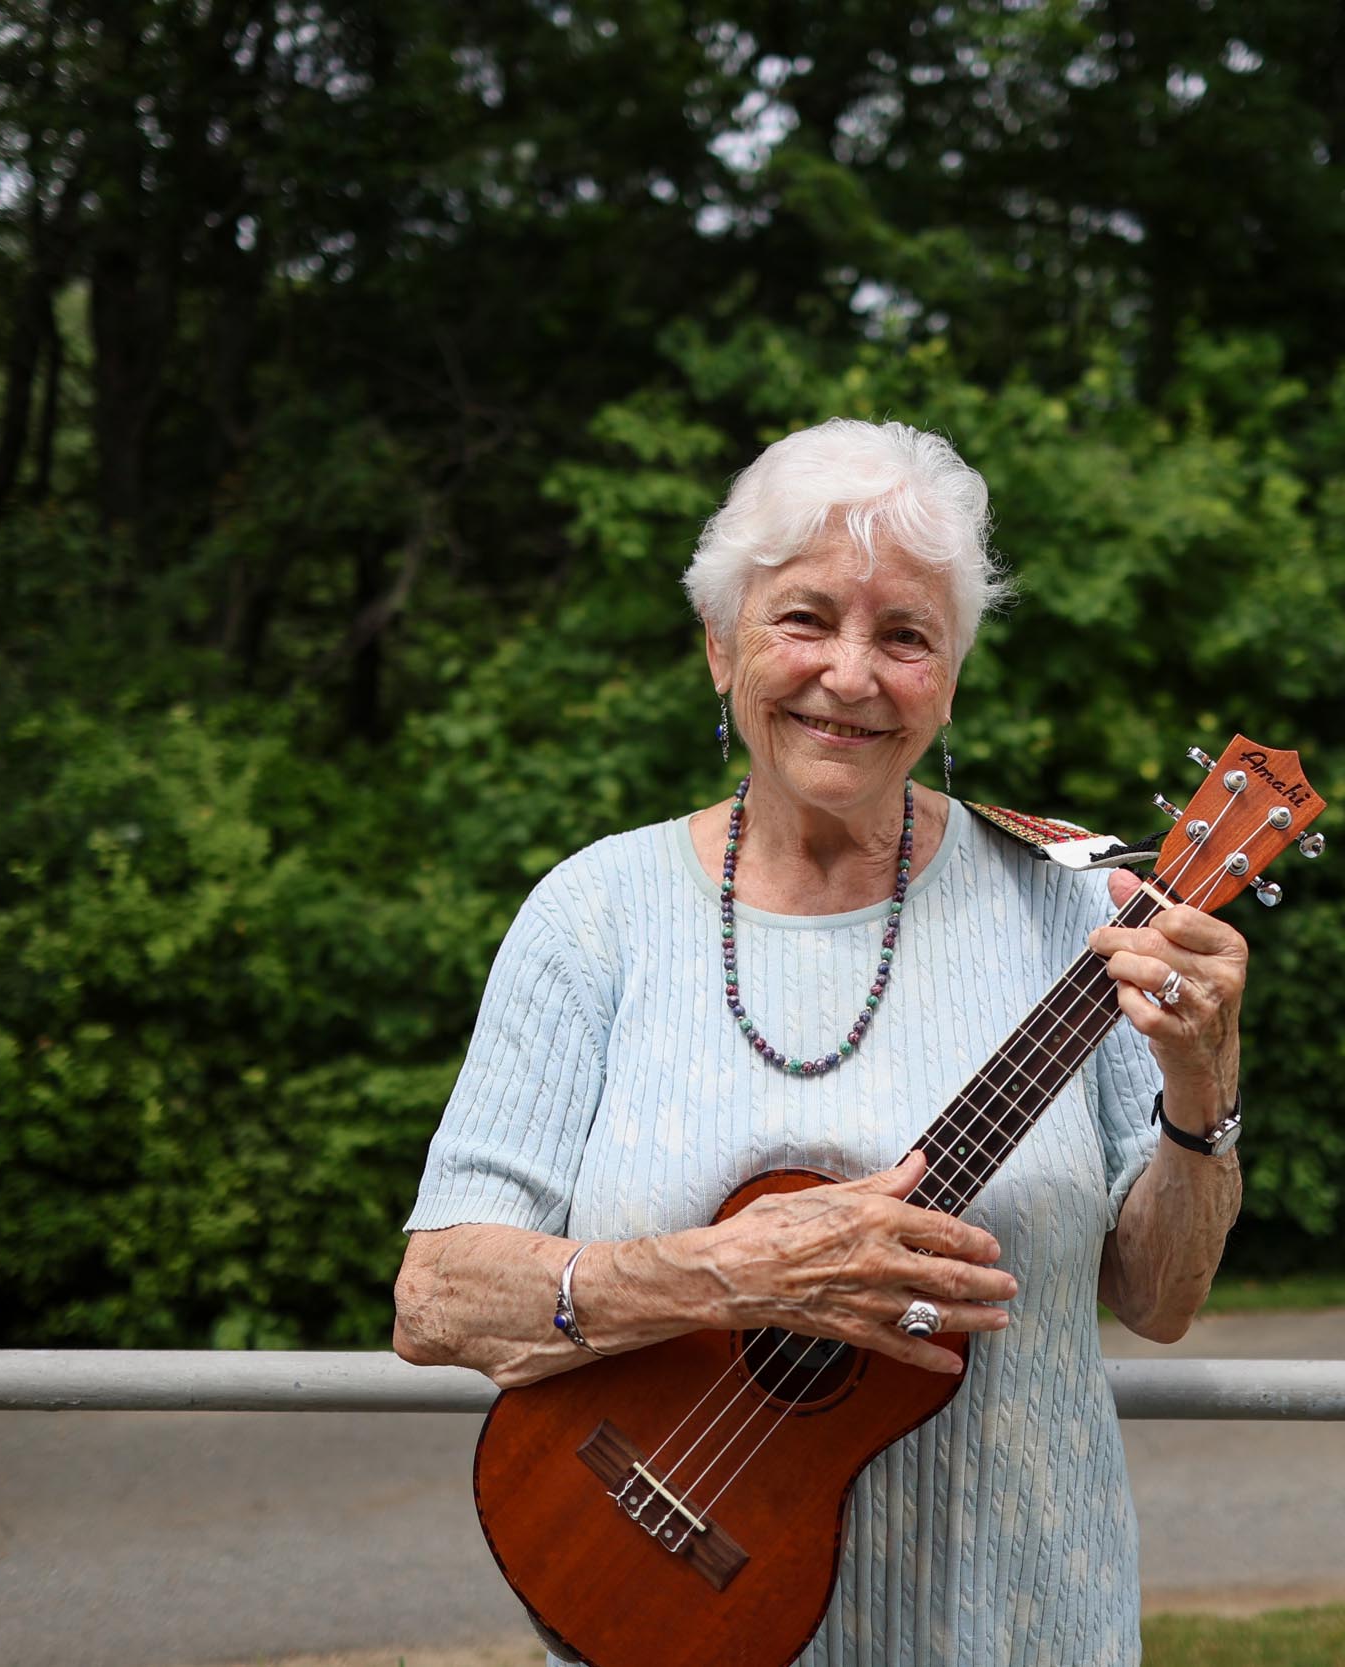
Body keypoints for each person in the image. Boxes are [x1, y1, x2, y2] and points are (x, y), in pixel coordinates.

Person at [391, 417, 1248, 1665]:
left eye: (905, 635)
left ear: (948, 677)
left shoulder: (1075, 907)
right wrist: (729, 1273)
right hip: (665, 1611)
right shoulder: (593, 915)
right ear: (718, 645)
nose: (851, 675)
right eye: (804, 619)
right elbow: (437, 1298)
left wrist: (1199, 1075)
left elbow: (1162, 1300)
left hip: (1016, 1624)